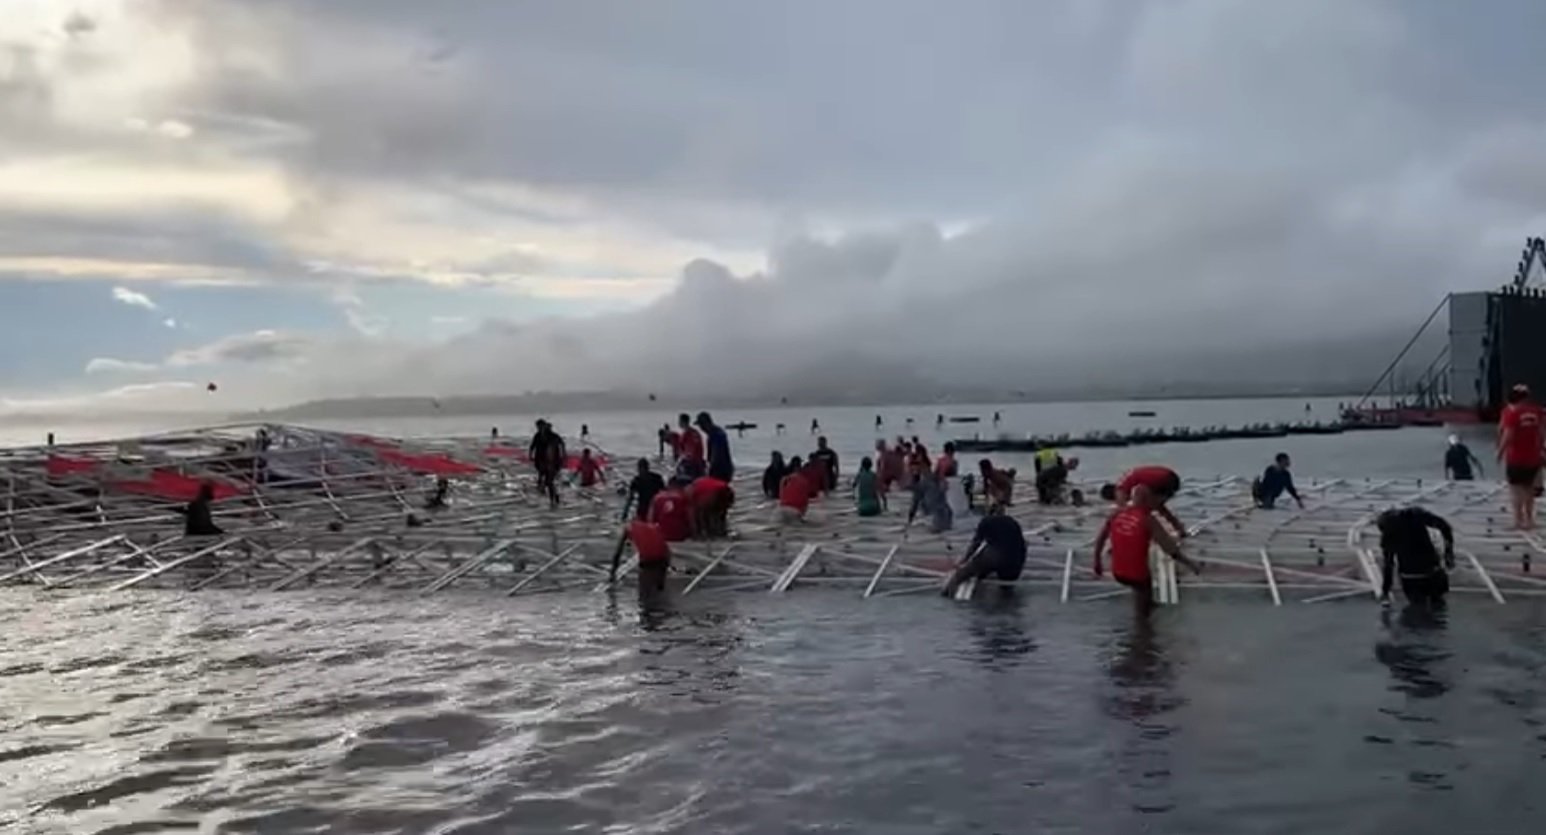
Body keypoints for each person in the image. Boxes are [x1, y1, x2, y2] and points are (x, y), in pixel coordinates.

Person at [1093, 500, 1202, 618]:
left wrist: (1097, 561)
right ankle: (1143, 628)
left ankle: (1147, 607)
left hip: (1117, 572)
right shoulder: (1148, 519)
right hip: (1137, 575)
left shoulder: (1116, 514)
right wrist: (1191, 564)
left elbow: (1100, 539)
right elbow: (1169, 548)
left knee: (1141, 588)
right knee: (1142, 602)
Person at [1376, 506, 1454, 610]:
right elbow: (1445, 527)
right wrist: (1448, 552)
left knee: (1417, 609)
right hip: (1432, 573)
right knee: (1438, 606)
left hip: (1411, 578)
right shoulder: (1415, 515)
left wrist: (1385, 591)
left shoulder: (1388, 536)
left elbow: (1389, 565)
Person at [942, 504, 1026, 597]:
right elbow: (1021, 543)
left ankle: (946, 594)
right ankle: (1006, 599)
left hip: (994, 556)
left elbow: (975, 544)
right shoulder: (1012, 522)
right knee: (1006, 586)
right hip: (1014, 558)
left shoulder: (986, 521)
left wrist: (964, 560)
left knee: (962, 574)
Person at [1498, 383, 1544, 530]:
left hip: (1516, 457)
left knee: (1515, 489)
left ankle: (1518, 520)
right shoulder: (1537, 412)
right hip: (1533, 457)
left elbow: (1508, 435)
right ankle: (1530, 520)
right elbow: (1542, 433)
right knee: (1529, 489)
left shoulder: (1511, 413)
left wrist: (1500, 452)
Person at [1101, 465, 1186, 535]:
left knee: (1143, 512)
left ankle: (1155, 536)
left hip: (1160, 481)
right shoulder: (1124, 481)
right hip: (1171, 477)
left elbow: (1125, 515)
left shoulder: (1120, 490)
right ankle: (1179, 528)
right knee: (1159, 507)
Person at [528, 419, 565, 508]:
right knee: (544, 478)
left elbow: (562, 444)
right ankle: (553, 497)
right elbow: (532, 446)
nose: (539, 429)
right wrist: (530, 455)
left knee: (549, 481)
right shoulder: (537, 436)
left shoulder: (553, 436)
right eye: (538, 427)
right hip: (541, 462)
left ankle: (553, 500)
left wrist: (563, 455)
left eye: (541, 427)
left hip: (553, 462)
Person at [628, 517, 672, 594]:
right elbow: (666, 549)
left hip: (648, 562)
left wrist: (612, 573)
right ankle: (659, 586)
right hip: (661, 559)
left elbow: (617, 555)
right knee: (659, 589)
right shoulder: (655, 527)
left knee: (644, 593)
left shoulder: (629, 528)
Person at [697, 411, 734, 482]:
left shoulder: (716, 434)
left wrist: (710, 469)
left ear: (705, 423)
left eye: (701, 425)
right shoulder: (714, 433)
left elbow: (716, 454)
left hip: (721, 470)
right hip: (724, 468)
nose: (701, 428)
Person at [675, 413, 705, 480]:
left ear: (682, 421)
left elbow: (682, 449)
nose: (678, 423)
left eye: (679, 421)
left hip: (690, 463)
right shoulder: (696, 432)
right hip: (699, 462)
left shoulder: (686, 434)